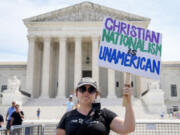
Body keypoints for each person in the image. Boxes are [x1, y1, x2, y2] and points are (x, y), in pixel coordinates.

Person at [56, 77, 135, 135]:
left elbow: (128, 128)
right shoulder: (67, 116)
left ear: (96, 94)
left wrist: (128, 101)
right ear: (76, 93)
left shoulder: (104, 115)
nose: (86, 93)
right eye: (82, 89)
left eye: (91, 90)